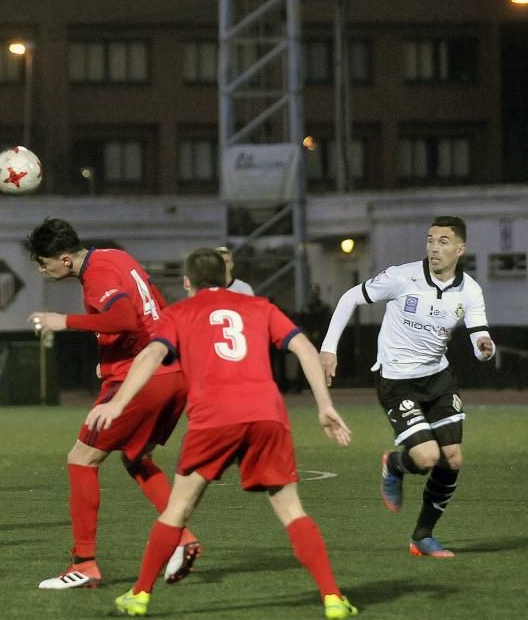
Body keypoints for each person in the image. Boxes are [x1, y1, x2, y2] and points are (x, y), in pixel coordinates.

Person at [86, 248, 356, 619]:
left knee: (178, 508)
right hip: (266, 415)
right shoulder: (260, 306)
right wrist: (324, 404)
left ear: (187, 282)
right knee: (292, 510)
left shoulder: (178, 313)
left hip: (214, 418)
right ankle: (332, 598)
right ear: (226, 278)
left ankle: (139, 595)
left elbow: (149, 356)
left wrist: (117, 405)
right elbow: (304, 348)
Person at [26, 218, 199, 591]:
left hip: (144, 378)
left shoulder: (98, 276)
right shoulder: (115, 257)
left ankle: (84, 563)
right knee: (135, 457)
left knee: (81, 458)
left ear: (65, 260)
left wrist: (63, 321)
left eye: (44, 263)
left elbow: (123, 317)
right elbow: (153, 311)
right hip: (173, 371)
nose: (43, 270)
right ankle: (182, 539)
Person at [320, 215, 494, 558]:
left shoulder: (470, 290)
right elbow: (350, 297)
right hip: (397, 382)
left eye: (443, 241)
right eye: (430, 240)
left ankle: (423, 536)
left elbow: (479, 337)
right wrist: (328, 347)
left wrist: (485, 347)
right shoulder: (402, 277)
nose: (434, 247)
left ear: (461, 248)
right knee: (427, 457)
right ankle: (396, 464)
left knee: (453, 459)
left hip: (438, 380)